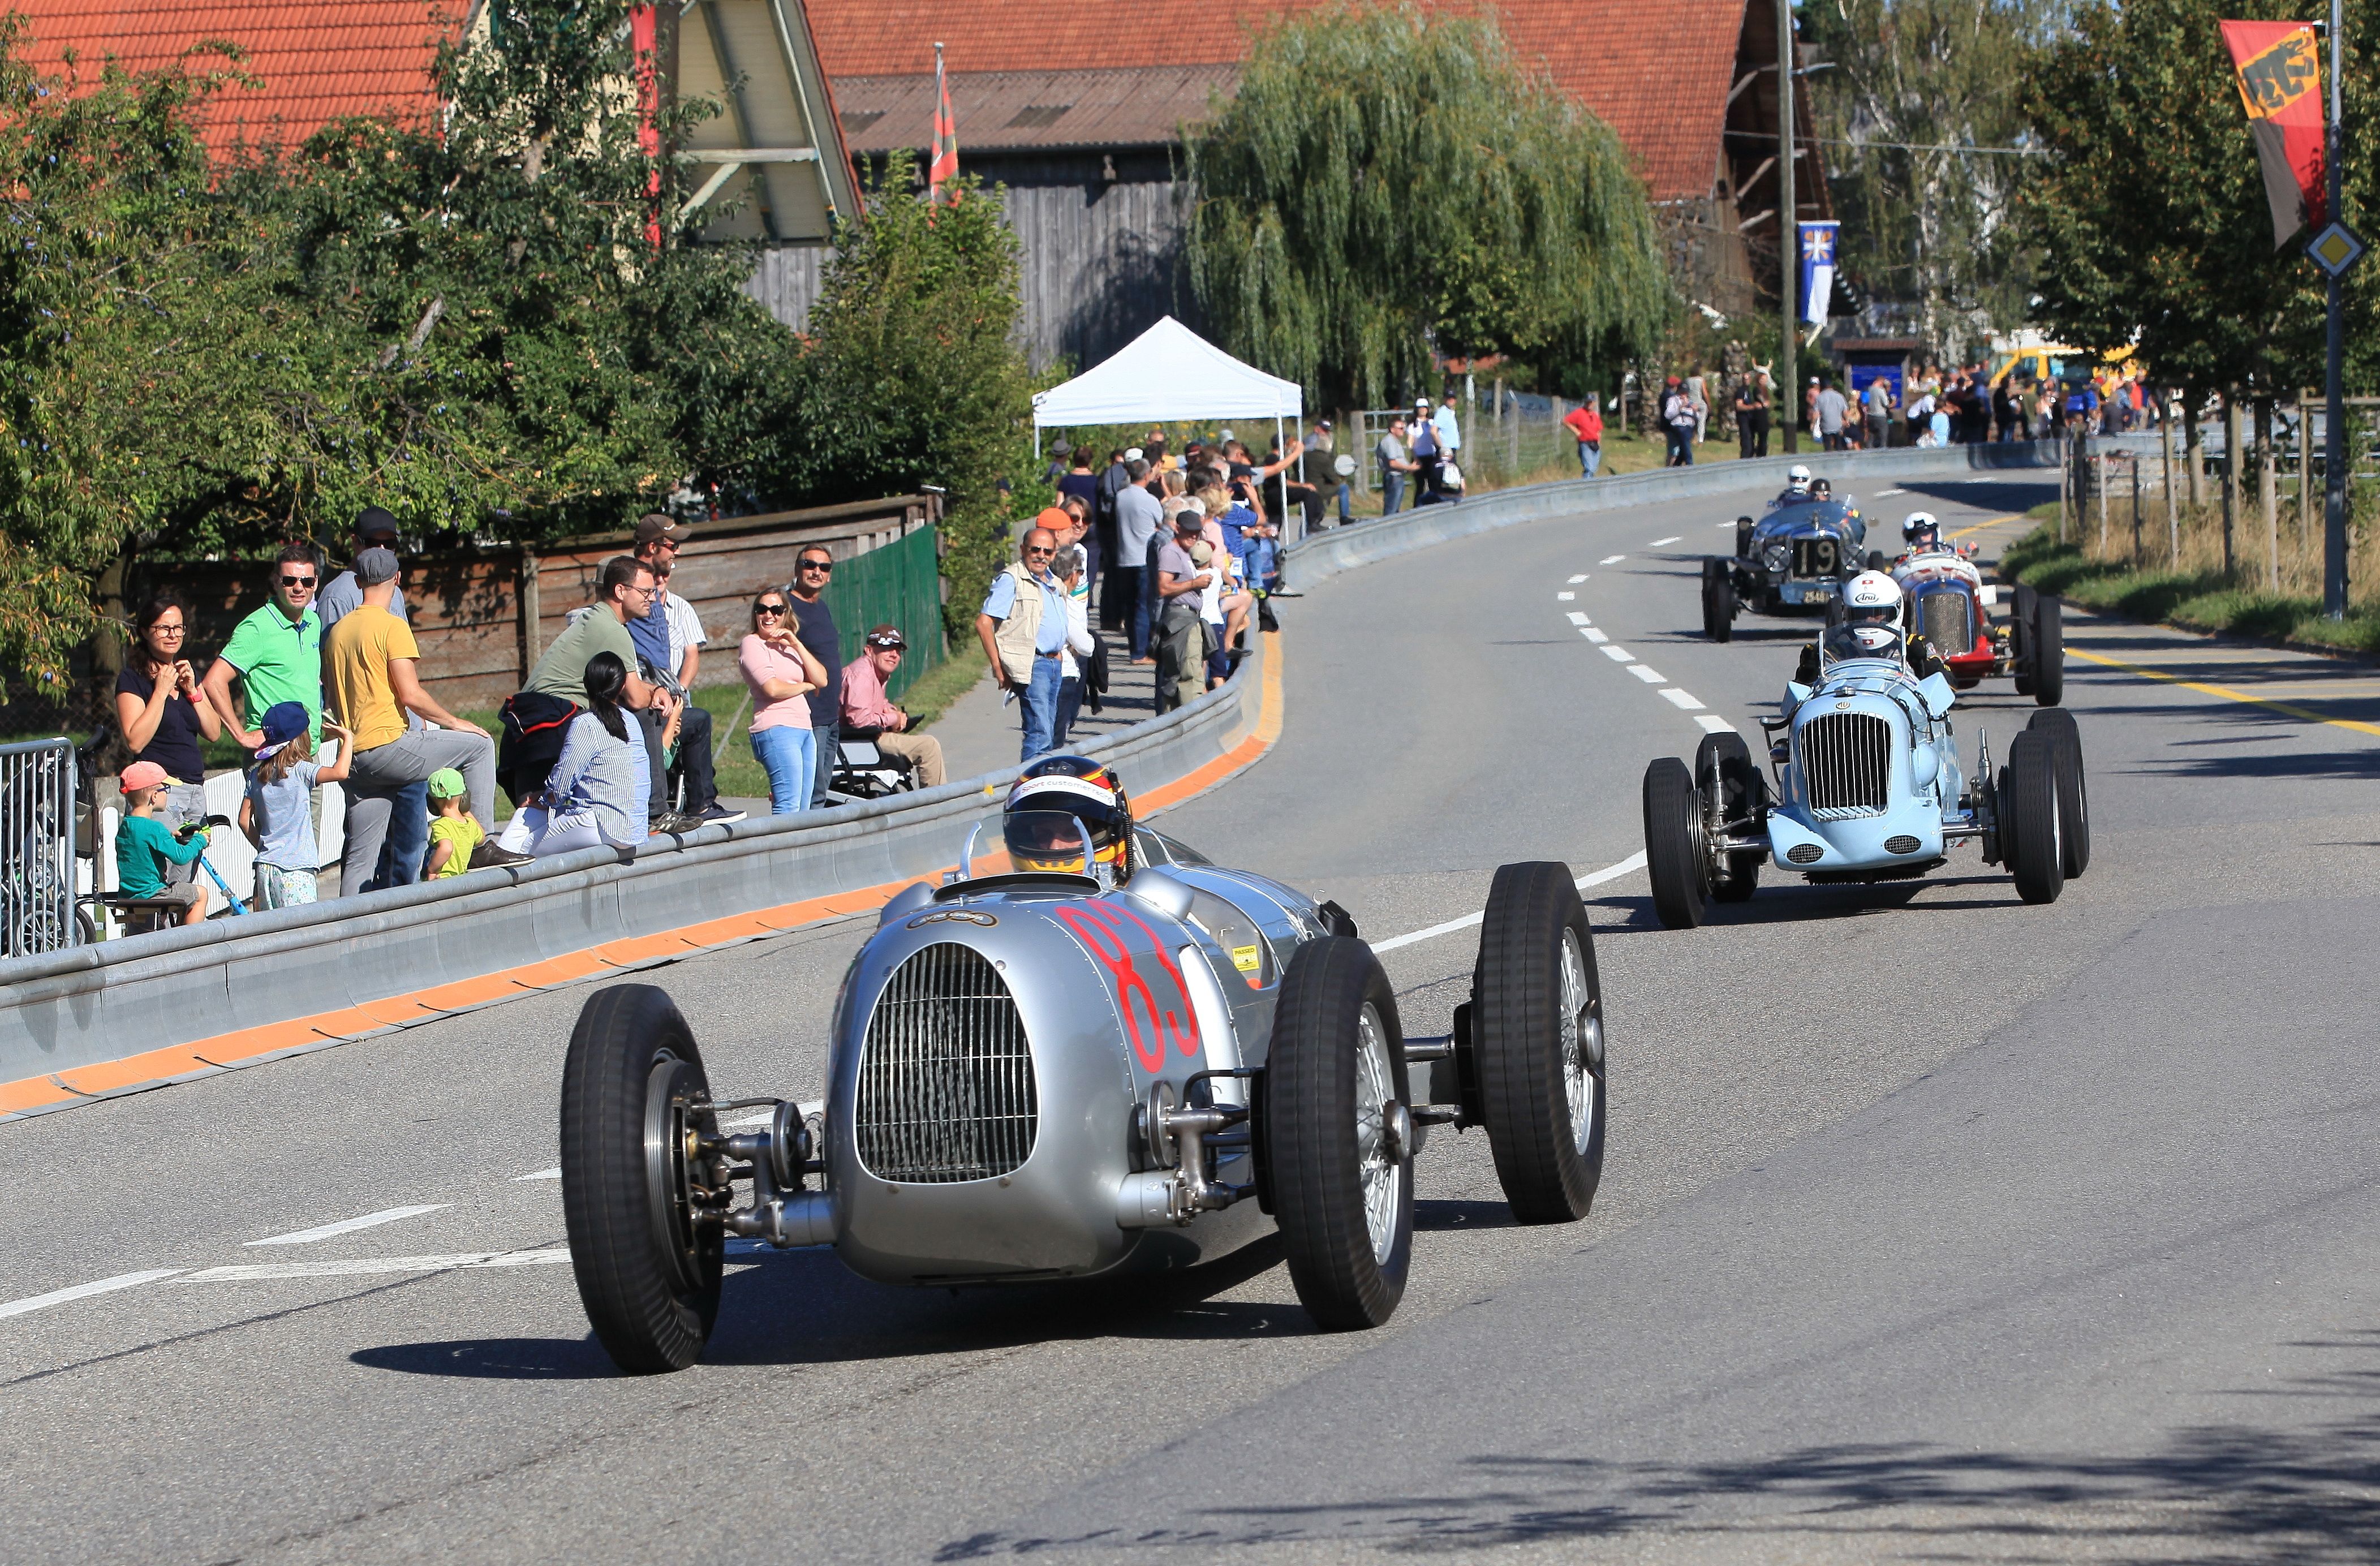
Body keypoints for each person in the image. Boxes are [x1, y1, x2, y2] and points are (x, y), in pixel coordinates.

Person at [322, 547, 514, 894]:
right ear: (397, 580)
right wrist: (455, 722)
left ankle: (344, 933)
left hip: (354, 758)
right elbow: (411, 695)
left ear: (359, 581)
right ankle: (481, 845)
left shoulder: (337, 632)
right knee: (481, 745)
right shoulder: (391, 626)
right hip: (388, 747)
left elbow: (334, 697)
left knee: (359, 861)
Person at [318, 508, 429, 892]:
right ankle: (363, 921)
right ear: (355, 544)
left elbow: (398, 660)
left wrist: (418, 714)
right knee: (367, 841)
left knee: (411, 837)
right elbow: (331, 668)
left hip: (404, 730)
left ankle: (404, 912)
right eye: (372, 543)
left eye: (390, 543)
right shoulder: (337, 595)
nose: (381, 550)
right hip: (367, 737)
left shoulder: (394, 592)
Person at [630, 518, 735, 827]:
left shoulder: (660, 596)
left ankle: (692, 802)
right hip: (644, 695)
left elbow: (687, 654)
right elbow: (641, 657)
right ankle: (694, 805)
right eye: (672, 545)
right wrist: (662, 695)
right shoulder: (638, 591)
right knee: (697, 721)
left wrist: (677, 690)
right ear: (653, 547)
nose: (677, 552)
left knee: (692, 721)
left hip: (664, 688)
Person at [496, 652, 652, 857]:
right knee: (537, 814)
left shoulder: (585, 723)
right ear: (623, 685)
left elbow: (561, 786)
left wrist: (541, 800)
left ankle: (498, 872)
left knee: (521, 845)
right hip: (635, 828)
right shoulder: (632, 721)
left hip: (604, 824)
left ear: (586, 684)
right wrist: (546, 799)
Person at [114, 591, 221, 886]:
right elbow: (135, 741)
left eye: (178, 628)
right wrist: (161, 691)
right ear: (145, 632)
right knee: (161, 885)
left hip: (193, 789)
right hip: (159, 794)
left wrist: (192, 692)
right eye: (163, 628)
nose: (173, 635)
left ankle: (184, 933)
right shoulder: (132, 679)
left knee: (185, 882)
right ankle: (157, 935)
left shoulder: (187, 675)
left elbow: (213, 733)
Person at [203, 543, 322, 754]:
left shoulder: (313, 621)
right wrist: (241, 736)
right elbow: (213, 681)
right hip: (272, 757)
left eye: (306, 581)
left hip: (309, 752)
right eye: (289, 580)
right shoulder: (256, 628)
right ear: (276, 582)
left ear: (315, 583)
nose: (298, 587)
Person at [239, 703, 352, 910]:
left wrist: (265, 847)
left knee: (273, 931)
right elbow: (341, 772)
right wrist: (347, 738)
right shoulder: (301, 771)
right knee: (303, 931)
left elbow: (243, 821)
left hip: (266, 866)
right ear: (301, 738)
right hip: (296, 869)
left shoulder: (257, 775)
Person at [976, 528, 1071, 762]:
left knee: (1049, 733)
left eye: (1047, 551)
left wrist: (1059, 654)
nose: (1041, 555)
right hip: (1033, 664)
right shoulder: (1011, 579)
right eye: (1035, 549)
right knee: (1040, 733)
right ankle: (1029, 787)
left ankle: (1041, 784)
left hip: (1053, 663)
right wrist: (999, 668)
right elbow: (984, 623)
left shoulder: (1053, 582)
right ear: (1023, 550)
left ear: (1054, 553)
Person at [738, 589, 832, 815]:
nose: (768, 615)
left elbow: (822, 679)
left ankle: (800, 851)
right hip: (776, 728)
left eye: (776, 610)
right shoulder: (752, 644)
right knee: (787, 806)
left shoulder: (787, 645)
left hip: (804, 729)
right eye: (762, 609)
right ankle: (778, 851)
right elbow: (772, 689)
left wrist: (796, 644)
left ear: (785, 614)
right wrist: (806, 687)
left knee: (804, 807)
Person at [840, 626, 946, 789]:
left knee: (926, 744)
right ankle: (934, 807)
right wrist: (894, 719)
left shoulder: (876, 672)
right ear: (869, 650)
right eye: (886, 649)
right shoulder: (862, 675)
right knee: (928, 747)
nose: (894, 655)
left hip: (867, 739)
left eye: (897, 650)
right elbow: (860, 721)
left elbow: (877, 703)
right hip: (857, 743)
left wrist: (894, 712)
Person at [1001, 755, 1135, 883]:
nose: (1055, 848)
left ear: (1117, 832)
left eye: (1072, 833)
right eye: (1043, 835)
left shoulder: (1145, 895)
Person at [784, 546, 846, 807]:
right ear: (798, 569)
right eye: (810, 564)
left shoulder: (821, 607)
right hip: (809, 713)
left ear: (830, 575)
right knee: (810, 792)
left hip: (830, 713)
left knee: (821, 787)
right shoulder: (786, 607)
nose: (816, 571)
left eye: (824, 567)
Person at [114, 760, 211, 926]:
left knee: (184, 895)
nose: (168, 793)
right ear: (154, 796)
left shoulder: (126, 826)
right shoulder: (154, 828)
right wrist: (199, 841)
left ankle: (178, 937)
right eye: (166, 789)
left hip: (129, 895)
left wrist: (168, 837)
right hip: (153, 895)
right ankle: (191, 945)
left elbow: (141, 847)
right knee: (201, 894)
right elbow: (181, 857)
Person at [1153, 508, 1215, 714]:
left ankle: (1170, 722)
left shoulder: (1185, 552)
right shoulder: (1171, 552)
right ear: (1177, 528)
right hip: (1181, 620)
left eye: (1197, 532)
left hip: (1188, 618)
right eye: (1189, 531)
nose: (1193, 536)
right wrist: (1194, 583)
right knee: (1190, 675)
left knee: (1179, 676)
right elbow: (1163, 587)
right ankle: (1193, 722)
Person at [1112, 458, 1163, 662]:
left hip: (1124, 557)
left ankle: (1135, 648)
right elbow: (1162, 522)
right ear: (1147, 475)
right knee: (1142, 605)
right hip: (1143, 557)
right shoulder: (1150, 500)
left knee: (1131, 607)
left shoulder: (1120, 497)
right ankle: (1140, 652)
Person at [1050, 541, 1099, 747]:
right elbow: (1086, 646)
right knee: (1056, 735)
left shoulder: (1045, 593)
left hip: (1046, 673)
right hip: (1063, 673)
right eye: (1079, 574)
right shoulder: (1063, 602)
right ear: (1072, 574)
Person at [421, 768, 485, 879]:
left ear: (431, 801)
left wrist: (432, 869)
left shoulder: (441, 826)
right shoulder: (469, 824)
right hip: (459, 879)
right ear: (465, 797)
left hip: (441, 879)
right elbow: (481, 839)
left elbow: (446, 849)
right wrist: (466, 811)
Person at [1376, 417, 1417, 515]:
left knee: (1395, 508)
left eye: (1404, 428)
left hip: (1397, 477)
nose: (1403, 430)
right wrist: (1409, 468)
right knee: (1392, 509)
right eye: (1400, 428)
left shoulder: (1394, 441)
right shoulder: (1389, 441)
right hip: (1394, 477)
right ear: (1392, 429)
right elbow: (1393, 463)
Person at [1661, 376, 1697, 466]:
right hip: (1678, 427)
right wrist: (1680, 408)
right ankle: (1690, 463)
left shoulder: (1690, 401)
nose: (1684, 395)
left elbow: (1697, 417)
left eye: (1686, 393)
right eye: (1682, 393)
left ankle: (1676, 465)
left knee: (1683, 448)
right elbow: (1668, 415)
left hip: (1689, 427)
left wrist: (1694, 411)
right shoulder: (1673, 400)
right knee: (1680, 447)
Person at [1563, 397, 1604, 477]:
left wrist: (1599, 442)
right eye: (1587, 402)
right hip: (1585, 443)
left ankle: (1590, 485)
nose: (1589, 404)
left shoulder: (1595, 416)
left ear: (1594, 403)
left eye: (1591, 402)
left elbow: (1599, 430)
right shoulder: (1579, 413)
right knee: (1589, 467)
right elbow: (1565, 421)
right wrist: (1577, 432)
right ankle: (1586, 486)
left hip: (1595, 444)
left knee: (1594, 468)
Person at [1736, 375, 1772, 459]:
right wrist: (1753, 407)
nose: (1747, 380)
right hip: (1744, 420)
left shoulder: (1751, 390)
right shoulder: (1741, 391)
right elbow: (1739, 406)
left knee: (1753, 442)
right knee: (1747, 444)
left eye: (1748, 378)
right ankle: (1745, 461)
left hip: (1751, 420)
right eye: (1745, 379)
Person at [1815, 380, 1849, 451]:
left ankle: (1829, 456)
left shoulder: (1820, 397)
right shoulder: (1840, 396)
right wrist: (1847, 421)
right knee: (1839, 445)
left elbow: (1816, 413)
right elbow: (1845, 411)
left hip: (1826, 425)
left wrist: (1813, 424)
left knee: (1828, 446)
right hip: (1838, 425)